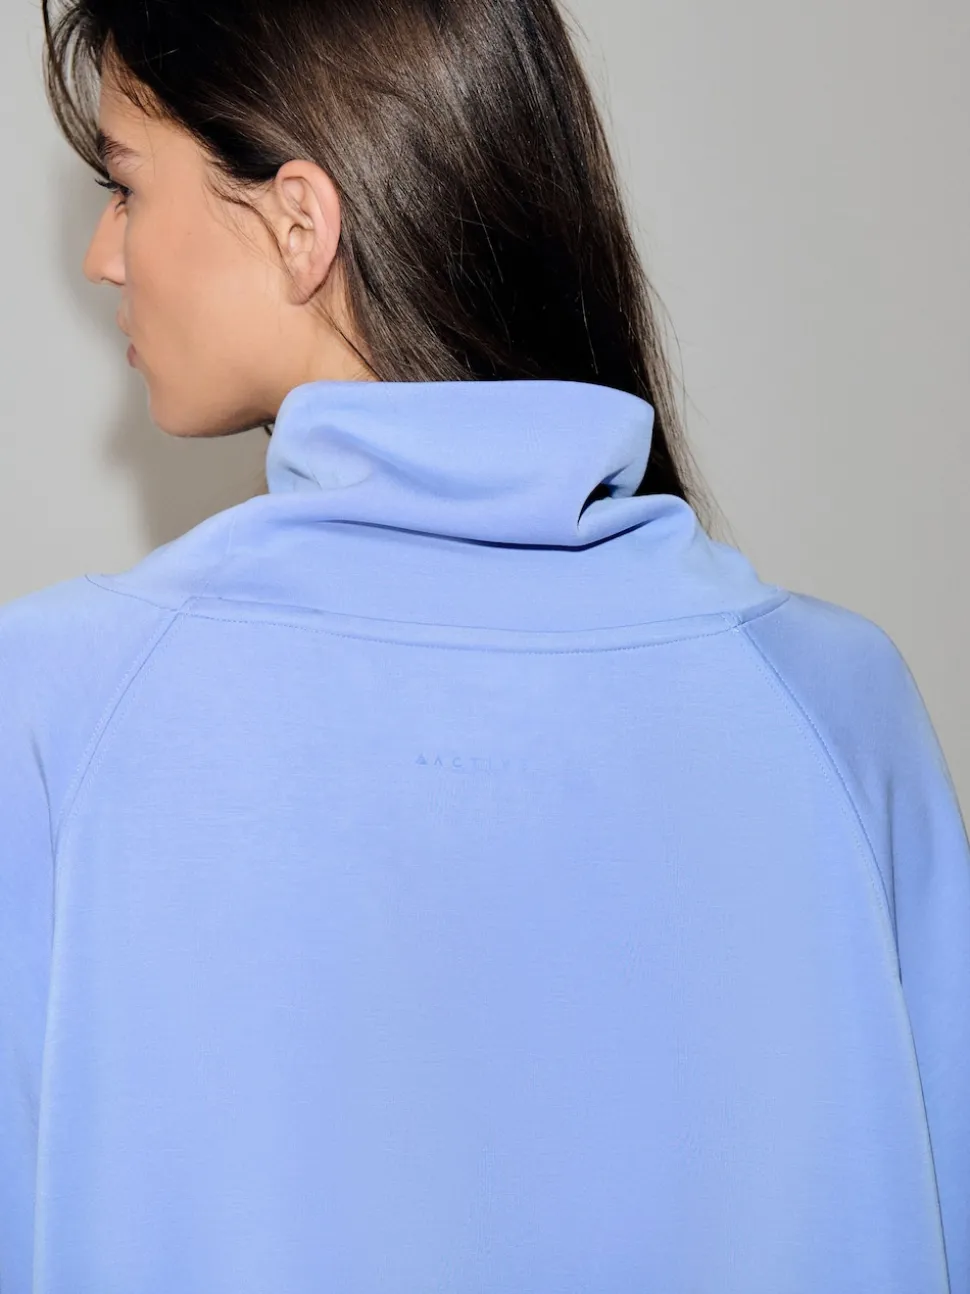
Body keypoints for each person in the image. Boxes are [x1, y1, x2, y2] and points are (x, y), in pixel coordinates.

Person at [2, 1, 967, 1290]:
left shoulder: (60, 708)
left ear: (300, 223)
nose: (102, 257)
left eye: (124, 187)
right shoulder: (836, 706)